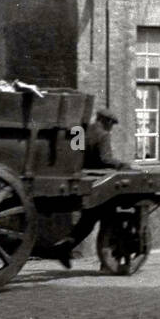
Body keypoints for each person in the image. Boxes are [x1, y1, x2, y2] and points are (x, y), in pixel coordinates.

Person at [54, 110, 129, 269]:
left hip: (82, 180)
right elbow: (105, 158)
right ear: (107, 122)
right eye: (111, 125)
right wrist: (121, 165)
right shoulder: (104, 135)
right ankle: (108, 260)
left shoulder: (80, 130)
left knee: (88, 220)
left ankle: (65, 247)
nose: (111, 129)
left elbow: (75, 155)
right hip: (99, 184)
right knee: (105, 218)